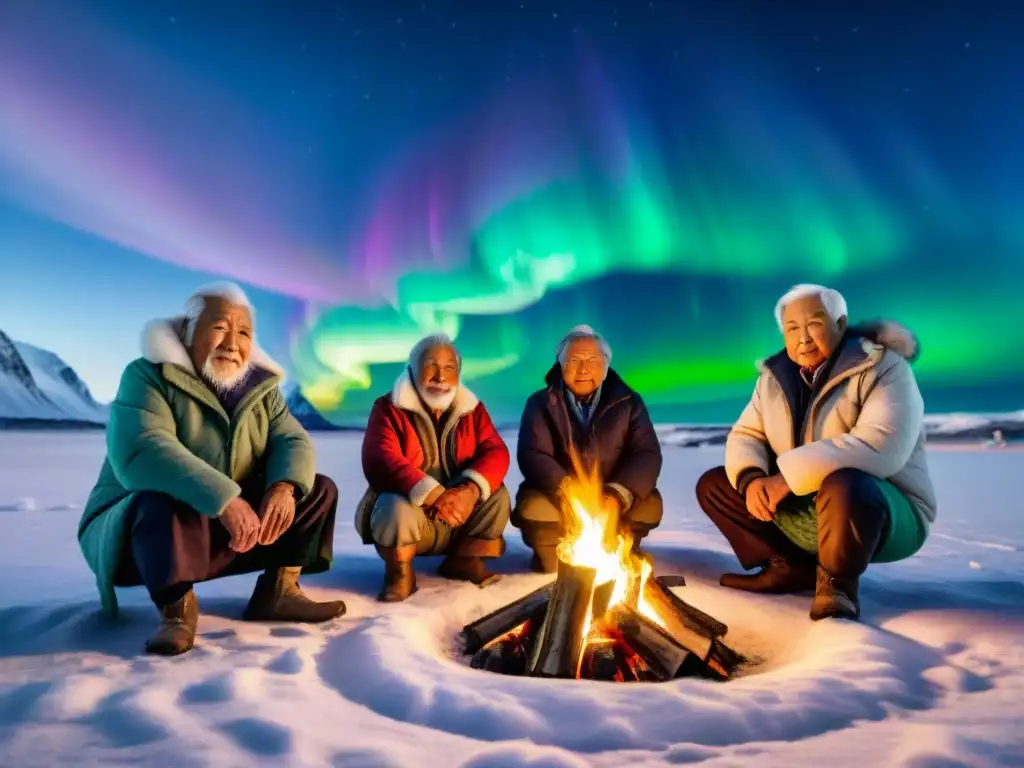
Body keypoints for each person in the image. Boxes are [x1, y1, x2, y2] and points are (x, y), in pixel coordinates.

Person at [80, 282, 345, 656]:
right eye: (220, 327)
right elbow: (143, 450)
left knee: (315, 489)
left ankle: (279, 592)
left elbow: (292, 440)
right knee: (156, 500)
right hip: (140, 540)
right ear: (189, 332)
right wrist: (226, 499)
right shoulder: (147, 375)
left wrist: (283, 486)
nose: (232, 343)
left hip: (227, 534)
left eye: (244, 333)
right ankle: (176, 610)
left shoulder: (261, 390)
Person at [695, 284, 937, 621]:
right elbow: (746, 434)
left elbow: (881, 445)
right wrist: (752, 480)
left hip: (886, 512)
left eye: (814, 324)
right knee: (717, 485)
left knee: (846, 483)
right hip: (809, 506)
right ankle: (788, 567)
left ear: (841, 323)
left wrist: (786, 480)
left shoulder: (884, 368)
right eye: (792, 328)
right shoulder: (773, 379)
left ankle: (837, 583)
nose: (803, 338)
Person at [355, 334, 512, 602]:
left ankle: (464, 559)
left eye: (449, 368)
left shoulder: (472, 410)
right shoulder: (388, 408)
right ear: (412, 369)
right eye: (431, 365)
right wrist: (433, 494)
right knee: (392, 506)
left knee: (497, 496)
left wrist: (471, 490)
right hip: (417, 516)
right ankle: (400, 573)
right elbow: (381, 457)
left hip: (460, 515)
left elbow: (496, 450)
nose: (440, 377)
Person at [512, 325, 663, 573]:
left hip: (613, 500)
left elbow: (646, 453)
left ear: (605, 366)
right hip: (558, 495)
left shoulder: (630, 403)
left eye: (592, 360)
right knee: (535, 514)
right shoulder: (540, 403)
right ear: (561, 366)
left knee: (650, 504)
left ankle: (622, 548)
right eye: (574, 360)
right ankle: (551, 553)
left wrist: (616, 495)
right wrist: (569, 490)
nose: (583, 369)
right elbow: (533, 454)